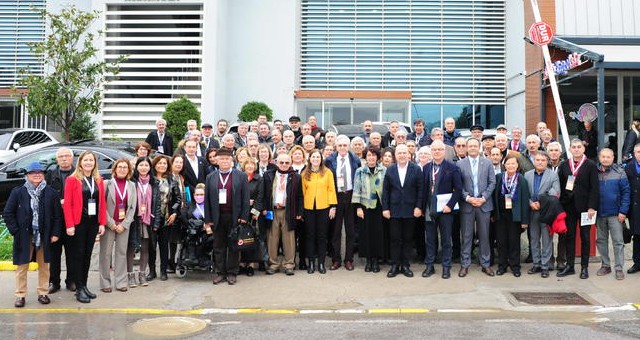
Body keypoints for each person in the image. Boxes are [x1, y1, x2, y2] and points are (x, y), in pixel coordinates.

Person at [5, 162, 61, 308]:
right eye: (33, 173)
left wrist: (55, 233)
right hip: (24, 236)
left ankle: (43, 292)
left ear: (43, 175)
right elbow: (8, 213)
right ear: (27, 175)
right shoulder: (18, 192)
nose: (37, 175)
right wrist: (16, 231)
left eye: (40, 172)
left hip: (45, 235)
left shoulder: (51, 192)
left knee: (44, 266)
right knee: (22, 267)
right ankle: (20, 295)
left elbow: (57, 216)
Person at [63, 151, 107, 303]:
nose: (89, 162)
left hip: (93, 223)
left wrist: (102, 222)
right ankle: (79, 288)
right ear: (80, 162)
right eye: (86, 160)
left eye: (91, 160)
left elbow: (102, 203)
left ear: (95, 163)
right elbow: (67, 204)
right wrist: (69, 225)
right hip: (78, 223)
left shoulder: (98, 179)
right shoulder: (72, 180)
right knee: (78, 254)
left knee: (87, 255)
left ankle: (85, 285)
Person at [204, 147, 250, 285]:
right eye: (221, 159)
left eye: (227, 159)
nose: (224, 161)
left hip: (234, 216)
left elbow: (245, 198)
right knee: (219, 246)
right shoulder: (210, 177)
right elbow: (207, 200)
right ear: (217, 161)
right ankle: (220, 272)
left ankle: (232, 272)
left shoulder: (240, 176)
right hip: (217, 217)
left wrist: (244, 216)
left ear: (232, 161)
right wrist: (208, 219)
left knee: (234, 246)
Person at [557, 138, 599, 279]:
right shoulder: (564, 165)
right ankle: (569, 266)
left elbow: (594, 188)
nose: (576, 149)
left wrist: (592, 206)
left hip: (585, 208)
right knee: (569, 237)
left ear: (583, 149)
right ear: (569, 149)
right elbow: (561, 186)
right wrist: (561, 204)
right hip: (568, 207)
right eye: (573, 147)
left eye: (579, 147)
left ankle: (584, 267)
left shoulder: (591, 165)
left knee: (585, 238)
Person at [256, 153, 303, 276]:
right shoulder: (268, 175)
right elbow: (264, 194)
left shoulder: (296, 177)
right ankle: (273, 264)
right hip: (272, 211)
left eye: (287, 163)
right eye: (281, 162)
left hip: (288, 211)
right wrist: (264, 209)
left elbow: (300, 196)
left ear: (290, 163)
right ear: (276, 163)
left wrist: (299, 212)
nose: (284, 165)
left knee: (289, 239)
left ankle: (289, 264)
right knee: (272, 238)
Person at [422, 140, 462, 279]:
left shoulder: (452, 167)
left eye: (439, 149)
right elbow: (424, 189)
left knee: (446, 240)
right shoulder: (426, 167)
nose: (437, 152)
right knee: (430, 239)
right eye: (434, 150)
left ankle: (446, 267)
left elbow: (458, 189)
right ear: (431, 151)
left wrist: (450, 206)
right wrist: (422, 208)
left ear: (444, 151)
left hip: (446, 210)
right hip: (430, 209)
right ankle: (429, 266)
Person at [382, 144, 423, 278]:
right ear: (395, 155)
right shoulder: (390, 170)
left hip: (410, 210)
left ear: (408, 154)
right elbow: (386, 191)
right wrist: (385, 208)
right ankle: (394, 265)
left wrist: (418, 207)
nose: (402, 155)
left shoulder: (416, 169)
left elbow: (420, 190)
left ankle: (405, 265)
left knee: (407, 239)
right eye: (399, 153)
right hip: (393, 210)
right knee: (394, 239)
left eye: (404, 153)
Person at [457, 137, 496, 277]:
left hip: (484, 204)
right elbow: (458, 185)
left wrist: (483, 198)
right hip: (467, 205)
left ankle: (485, 264)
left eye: (475, 146)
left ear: (479, 147)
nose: (473, 148)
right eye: (470, 146)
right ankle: (465, 264)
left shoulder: (487, 163)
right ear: (466, 148)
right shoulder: (460, 164)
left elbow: (492, 182)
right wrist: (468, 198)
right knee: (466, 236)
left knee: (485, 236)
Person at [325, 135, 362, 271]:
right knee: (335, 230)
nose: (342, 148)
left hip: (351, 196)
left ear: (349, 147)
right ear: (336, 147)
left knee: (351, 230)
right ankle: (336, 259)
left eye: (345, 145)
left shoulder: (355, 160)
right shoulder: (329, 161)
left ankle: (349, 259)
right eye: (340, 145)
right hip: (336, 196)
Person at [100, 159, 137, 292]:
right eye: (119, 167)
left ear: (129, 170)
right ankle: (105, 283)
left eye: (125, 167)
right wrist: (110, 223)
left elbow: (133, 207)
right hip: (110, 224)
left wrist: (124, 224)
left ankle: (121, 282)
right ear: (114, 169)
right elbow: (101, 206)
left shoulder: (132, 185)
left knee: (121, 253)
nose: (122, 169)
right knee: (106, 254)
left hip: (123, 225)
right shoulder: (106, 184)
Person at [493, 154, 530, 277]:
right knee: (501, 241)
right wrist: (494, 214)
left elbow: (525, 201)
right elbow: (494, 198)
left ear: (517, 165)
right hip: (501, 215)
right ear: (504, 165)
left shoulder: (521, 179)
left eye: (513, 163)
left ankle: (515, 266)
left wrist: (525, 221)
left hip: (515, 216)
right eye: (508, 163)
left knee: (514, 242)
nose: (511, 166)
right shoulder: (498, 178)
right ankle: (502, 265)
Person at [301, 149, 337, 274]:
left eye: (318, 157)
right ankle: (311, 262)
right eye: (313, 157)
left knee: (322, 236)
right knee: (310, 236)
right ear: (309, 159)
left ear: (321, 159)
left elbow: (331, 189)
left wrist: (333, 206)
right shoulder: (304, 173)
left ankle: (321, 263)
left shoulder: (327, 172)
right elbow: (302, 192)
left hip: (324, 208)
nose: (315, 159)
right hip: (309, 209)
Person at [525, 152, 560, 278]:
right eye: (537, 160)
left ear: (547, 162)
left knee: (546, 240)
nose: (540, 162)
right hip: (532, 211)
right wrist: (530, 203)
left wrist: (541, 202)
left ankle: (545, 266)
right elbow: (525, 193)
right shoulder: (527, 175)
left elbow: (556, 192)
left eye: (543, 160)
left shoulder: (553, 175)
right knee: (534, 239)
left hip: (546, 212)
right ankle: (536, 264)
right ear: (534, 161)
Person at [596, 148, 629, 280]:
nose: (605, 159)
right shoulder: (594, 172)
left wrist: (623, 211)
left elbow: (626, 193)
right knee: (601, 241)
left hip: (616, 214)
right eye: (603, 157)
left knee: (618, 242)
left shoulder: (620, 172)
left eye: (608, 157)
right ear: (599, 158)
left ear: (613, 158)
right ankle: (605, 265)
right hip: (599, 213)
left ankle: (619, 267)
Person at [46, 147, 76, 294]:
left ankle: (71, 281)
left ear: (72, 158)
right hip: (55, 221)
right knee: (54, 254)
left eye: (67, 156)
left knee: (72, 253)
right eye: (61, 156)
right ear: (57, 159)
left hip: (73, 221)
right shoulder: (50, 175)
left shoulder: (78, 174)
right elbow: (45, 197)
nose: (64, 159)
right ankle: (54, 282)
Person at [352, 147, 386, 273]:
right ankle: (368, 260)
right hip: (365, 206)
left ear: (377, 157)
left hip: (379, 206)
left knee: (378, 234)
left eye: (374, 155)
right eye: (369, 155)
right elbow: (356, 189)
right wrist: (358, 207)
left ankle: (376, 260)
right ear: (365, 157)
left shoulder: (384, 170)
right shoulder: (360, 171)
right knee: (365, 234)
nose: (371, 157)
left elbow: (386, 190)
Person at [129, 157, 162, 286]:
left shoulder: (154, 183)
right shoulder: (132, 182)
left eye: (146, 165)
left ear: (150, 168)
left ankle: (142, 274)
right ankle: (130, 275)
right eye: (141, 165)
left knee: (145, 248)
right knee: (131, 248)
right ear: (137, 167)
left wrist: (157, 222)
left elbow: (157, 205)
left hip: (148, 220)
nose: (143, 167)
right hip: (134, 220)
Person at [149, 155, 182, 281]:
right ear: (155, 165)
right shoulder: (150, 180)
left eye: (164, 163)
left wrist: (174, 213)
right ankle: (152, 271)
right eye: (159, 163)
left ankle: (163, 271)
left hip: (167, 217)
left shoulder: (171, 180)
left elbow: (178, 199)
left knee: (164, 245)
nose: (162, 165)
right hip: (152, 217)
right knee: (151, 246)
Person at [238, 158, 262, 276]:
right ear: (244, 166)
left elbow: (260, 197)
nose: (249, 167)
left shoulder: (259, 179)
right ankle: (242, 263)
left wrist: (255, 212)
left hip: (253, 214)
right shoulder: (239, 178)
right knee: (241, 238)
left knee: (252, 238)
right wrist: (247, 202)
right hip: (242, 212)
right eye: (247, 165)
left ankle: (251, 264)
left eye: (252, 165)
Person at [168, 154, 186, 273]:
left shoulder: (181, 177)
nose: (179, 164)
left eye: (181, 162)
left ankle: (174, 261)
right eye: (176, 162)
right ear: (172, 163)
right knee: (171, 239)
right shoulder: (169, 177)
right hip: (171, 211)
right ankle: (170, 263)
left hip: (181, 211)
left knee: (177, 238)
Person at [626, 143, 640, 275]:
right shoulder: (629, 167)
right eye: (638, 152)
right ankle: (637, 263)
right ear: (634, 153)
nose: (639, 154)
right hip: (634, 208)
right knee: (636, 235)